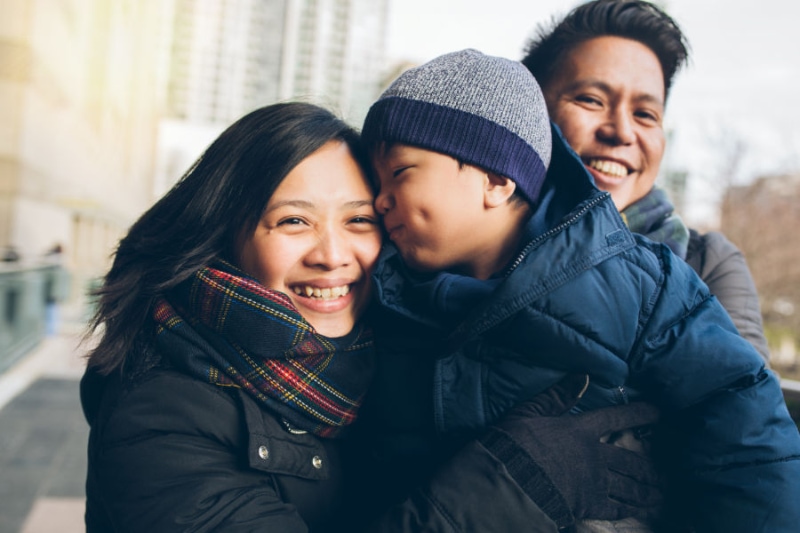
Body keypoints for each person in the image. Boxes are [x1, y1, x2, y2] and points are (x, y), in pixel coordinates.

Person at [80, 102, 660, 532]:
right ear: (223, 238)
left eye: (359, 221)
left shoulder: (374, 363)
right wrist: (515, 483)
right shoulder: (158, 416)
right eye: (292, 222)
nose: (333, 256)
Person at [357, 48, 800, 532]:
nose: (380, 201)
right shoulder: (386, 299)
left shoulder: (638, 281)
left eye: (399, 173)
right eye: (375, 183)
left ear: (497, 180)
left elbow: (741, 425)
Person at [521, 0, 770, 361]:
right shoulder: (463, 247)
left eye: (645, 114)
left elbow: (744, 405)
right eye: (591, 100)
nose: (621, 132)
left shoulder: (708, 265)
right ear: (532, 111)